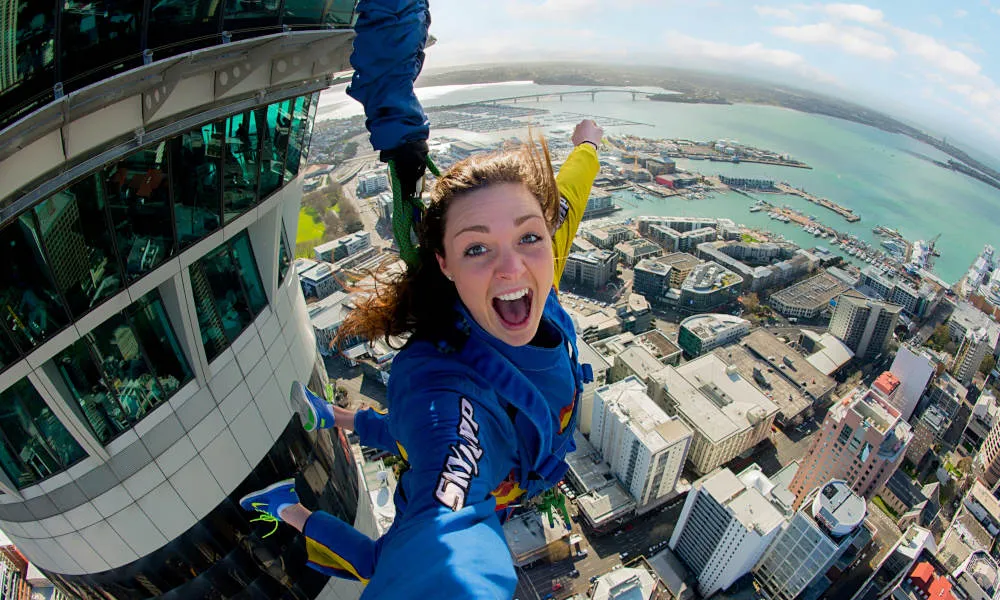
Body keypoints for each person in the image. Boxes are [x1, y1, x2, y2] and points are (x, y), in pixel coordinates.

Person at [239, 119, 603, 598]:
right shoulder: (445, 394)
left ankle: (328, 414)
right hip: (480, 475)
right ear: (444, 264)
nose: (513, 265)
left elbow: (568, 196)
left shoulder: (543, 263)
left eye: (529, 237)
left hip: (501, 463)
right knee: (378, 557)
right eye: (477, 248)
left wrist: (588, 147)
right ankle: (287, 506)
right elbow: (443, 541)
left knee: (401, 444)